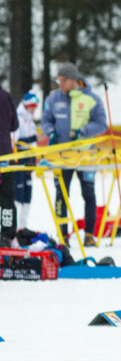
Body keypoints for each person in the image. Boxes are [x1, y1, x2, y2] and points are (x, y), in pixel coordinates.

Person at [41, 63, 107, 247]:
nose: (60, 84)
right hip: (61, 155)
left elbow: (102, 124)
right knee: (61, 194)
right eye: (58, 80)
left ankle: (89, 234)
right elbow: (46, 120)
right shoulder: (53, 98)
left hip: (86, 155)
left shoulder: (91, 99)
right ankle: (63, 236)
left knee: (88, 194)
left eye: (63, 80)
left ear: (73, 80)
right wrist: (50, 131)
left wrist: (82, 131)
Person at [13, 91, 39, 231]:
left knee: (28, 192)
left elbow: (32, 141)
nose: (34, 109)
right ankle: (15, 226)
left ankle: (23, 226)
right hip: (20, 159)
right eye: (32, 106)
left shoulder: (30, 119)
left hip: (30, 159)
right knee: (18, 191)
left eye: (36, 106)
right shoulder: (18, 117)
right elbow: (15, 140)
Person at [0, 83, 19, 246]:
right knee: (7, 198)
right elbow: (15, 125)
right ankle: (7, 235)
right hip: (5, 154)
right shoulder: (5, 96)